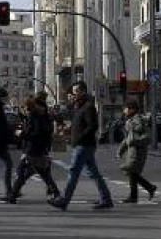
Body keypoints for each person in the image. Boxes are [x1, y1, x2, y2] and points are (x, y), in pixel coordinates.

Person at [48, 81, 114, 211]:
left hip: (84, 145)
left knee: (73, 172)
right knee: (94, 173)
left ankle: (64, 200)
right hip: (82, 144)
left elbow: (92, 126)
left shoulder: (88, 107)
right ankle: (106, 199)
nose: (74, 94)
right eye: (73, 91)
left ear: (83, 91)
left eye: (76, 91)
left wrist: (79, 137)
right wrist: (68, 129)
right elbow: (77, 124)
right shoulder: (78, 107)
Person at [8, 96, 60, 204]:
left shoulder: (33, 118)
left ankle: (13, 195)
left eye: (23, 108)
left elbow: (35, 134)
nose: (23, 110)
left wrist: (21, 133)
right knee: (40, 172)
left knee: (22, 172)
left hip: (32, 149)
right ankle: (55, 193)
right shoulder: (37, 116)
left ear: (27, 108)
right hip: (37, 149)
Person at [117, 100, 157, 203]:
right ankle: (142, 192)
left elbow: (139, 133)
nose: (124, 111)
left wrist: (131, 128)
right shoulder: (130, 121)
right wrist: (120, 150)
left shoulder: (137, 120)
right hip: (133, 150)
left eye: (126, 109)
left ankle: (144, 190)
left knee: (130, 170)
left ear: (132, 109)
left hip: (138, 151)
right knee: (132, 173)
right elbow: (127, 139)